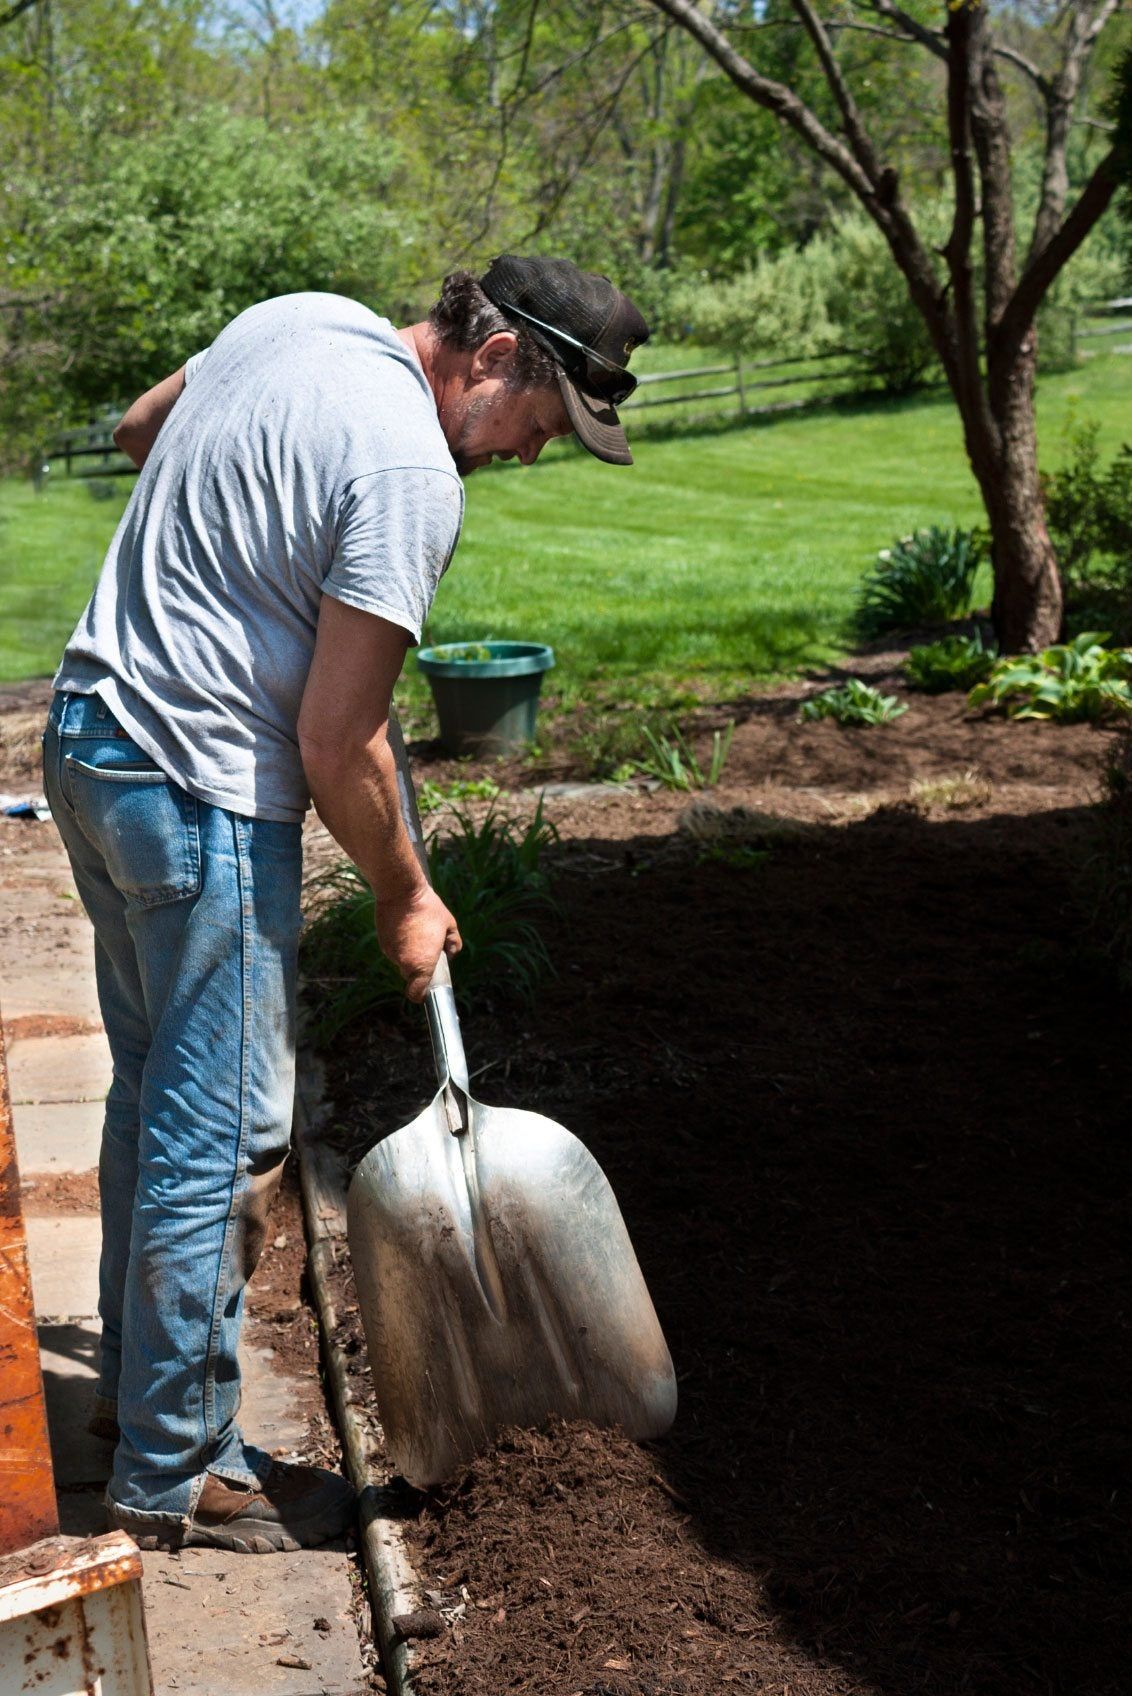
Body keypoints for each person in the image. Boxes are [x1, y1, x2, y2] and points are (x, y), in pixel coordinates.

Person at [42, 255, 649, 1554]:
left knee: (153, 1091)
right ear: (496, 361)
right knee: (227, 1134)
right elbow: (341, 736)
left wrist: (231, 558)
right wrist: (406, 897)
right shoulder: (410, 472)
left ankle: (133, 1415)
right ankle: (176, 1467)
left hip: (93, 740)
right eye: (542, 427)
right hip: (202, 788)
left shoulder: (301, 319)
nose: (532, 458)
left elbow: (142, 428)